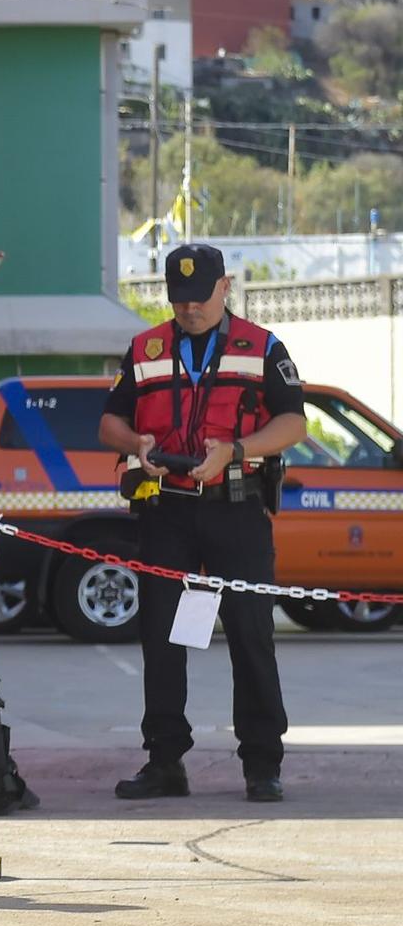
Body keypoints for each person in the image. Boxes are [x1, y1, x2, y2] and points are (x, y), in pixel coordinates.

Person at [98, 243, 305, 804]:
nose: (189, 309)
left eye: (200, 297)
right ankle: (165, 761)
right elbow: (109, 422)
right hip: (168, 510)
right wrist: (136, 443)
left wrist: (236, 450)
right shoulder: (145, 348)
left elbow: (293, 423)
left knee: (251, 633)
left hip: (236, 507)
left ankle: (262, 764)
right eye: (179, 298)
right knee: (161, 634)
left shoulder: (262, 347)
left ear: (225, 287)